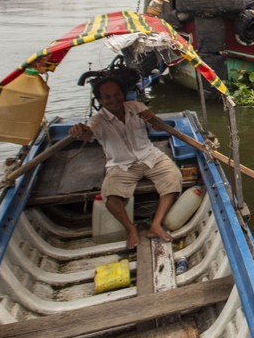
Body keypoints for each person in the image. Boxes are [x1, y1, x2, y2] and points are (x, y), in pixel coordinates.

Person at [69, 77, 182, 248]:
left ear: (123, 94)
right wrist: (80, 131)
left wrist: (153, 118)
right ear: (100, 100)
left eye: (117, 94)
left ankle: (156, 225)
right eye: (107, 97)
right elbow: (87, 134)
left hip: (150, 156)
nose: (113, 99)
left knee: (173, 178)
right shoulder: (96, 121)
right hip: (121, 165)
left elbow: (158, 127)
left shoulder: (136, 107)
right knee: (111, 197)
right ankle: (131, 229)